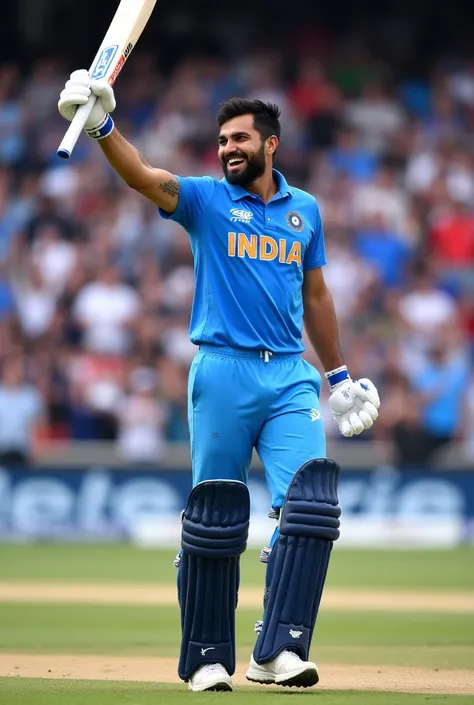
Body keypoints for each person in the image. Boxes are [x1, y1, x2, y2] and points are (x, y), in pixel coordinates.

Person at [58, 71, 381, 692]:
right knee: (216, 519)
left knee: (312, 509)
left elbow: (315, 294)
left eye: (239, 139)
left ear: (270, 145)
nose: (228, 148)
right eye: (222, 140)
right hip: (222, 370)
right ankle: (206, 656)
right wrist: (103, 126)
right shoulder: (206, 200)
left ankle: (279, 651)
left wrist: (339, 374)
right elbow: (143, 177)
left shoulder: (305, 210)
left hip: (291, 375)